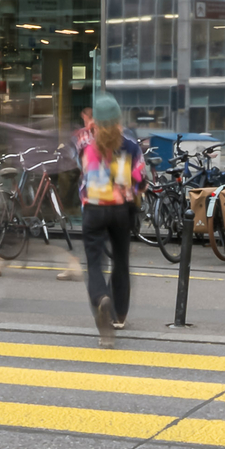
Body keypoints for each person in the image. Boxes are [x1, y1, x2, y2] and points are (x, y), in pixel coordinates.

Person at [78, 92, 147, 347]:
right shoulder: (130, 146)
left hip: (94, 210)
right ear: (118, 119)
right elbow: (141, 180)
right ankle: (118, 314)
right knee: (121, 260)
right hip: (121, 210)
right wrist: (130, 191)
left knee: (95, 263)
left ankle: (100, 298)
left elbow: (83, 176)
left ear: (95, 121)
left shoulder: (88, 147)